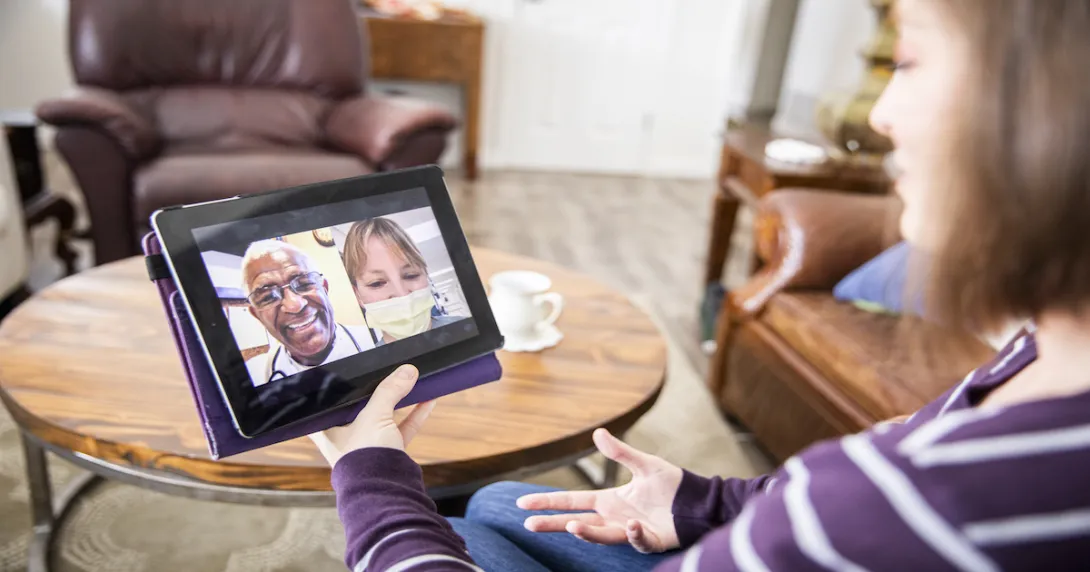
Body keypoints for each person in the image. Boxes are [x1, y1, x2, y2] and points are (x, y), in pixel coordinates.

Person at [310, 1, 1090, 570]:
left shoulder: (894, 506)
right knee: (496, 503)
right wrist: (703, 503)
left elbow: (849, 514)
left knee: (455, 529)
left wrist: (372, 481)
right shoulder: (1028, 364)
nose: (881, 114)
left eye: (908, 61)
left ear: (1048, 113)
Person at [240, 240, 375, 386]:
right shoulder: (253, 377)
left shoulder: (377, 339)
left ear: (324, 288)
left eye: (304, 284)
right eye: (268, 297)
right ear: (257, 315)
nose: (294, 305)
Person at [341, 217, 464, 345]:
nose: (402, 294)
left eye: (411, 275)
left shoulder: (465, 328)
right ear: (358, 296)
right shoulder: (371, 358)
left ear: (426, 276)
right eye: (376, 283)